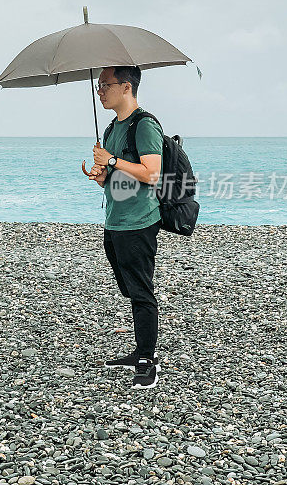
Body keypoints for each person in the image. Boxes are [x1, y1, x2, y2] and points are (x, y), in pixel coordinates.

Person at [86, 66, 164, 389]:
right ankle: (140, 349)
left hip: (139, 222)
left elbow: (152, 174)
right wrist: (101, 175)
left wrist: (113, 161)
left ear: (126, 87)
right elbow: (116, 178)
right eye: (98, 85)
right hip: (114, 221)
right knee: (128, 288)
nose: (100, 91)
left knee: (141, 290)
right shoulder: (110, 129)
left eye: (105, 84)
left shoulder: (145, 126)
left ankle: (147, 361)